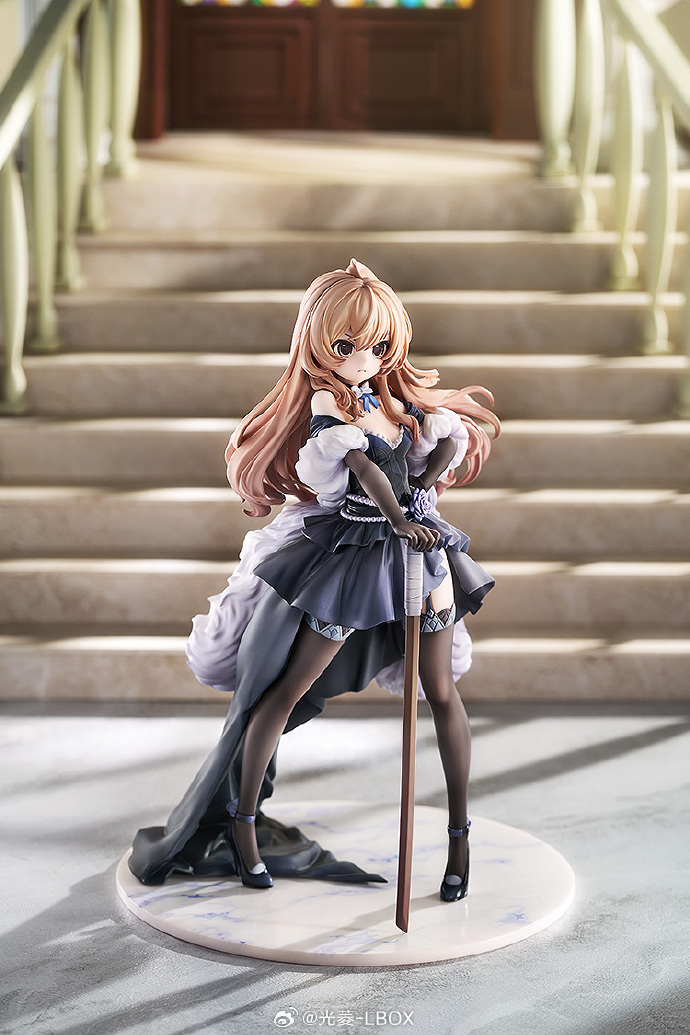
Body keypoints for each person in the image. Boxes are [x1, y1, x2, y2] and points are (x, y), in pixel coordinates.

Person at [129, 259, 500, 903]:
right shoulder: (330, 404)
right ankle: (243, 829)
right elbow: (363, 467)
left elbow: (447, 439)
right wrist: (398, 513)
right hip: (357, 551)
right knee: (285, 690)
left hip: (419, 552)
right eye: (346, 345)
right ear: (319, 343)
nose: (363, 359)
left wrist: (424, 486)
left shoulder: (392, 400)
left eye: (378, 346)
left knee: (441, 691)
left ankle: (459, 842)